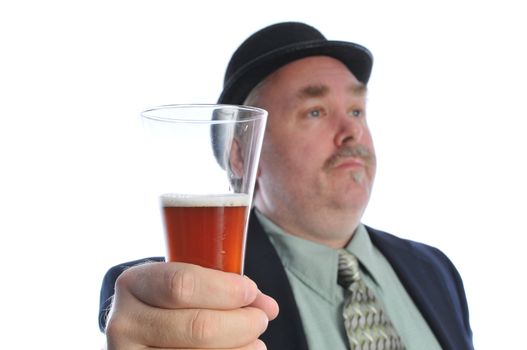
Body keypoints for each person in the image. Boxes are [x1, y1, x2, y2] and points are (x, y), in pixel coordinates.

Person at [99, 22, 474, 350]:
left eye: (357, 111)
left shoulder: (436, 269)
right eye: (315, 111)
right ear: (242, 157)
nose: (352, 132)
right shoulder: (180, 298)